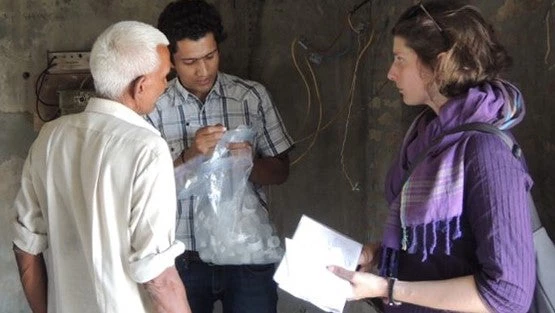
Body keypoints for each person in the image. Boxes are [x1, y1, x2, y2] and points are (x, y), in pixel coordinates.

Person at [328, 1, 535, 312]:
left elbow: (508, 294)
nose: (390, 73)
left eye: (400, 60)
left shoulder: (486, 154)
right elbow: (440, 253)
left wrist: (389, 287)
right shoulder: (427, 134)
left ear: (439, 64)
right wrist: (380, 256)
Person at [12, 21, 192, 313]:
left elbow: (25, 250)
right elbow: (159, 280)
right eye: (164, 76)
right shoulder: (147, 148)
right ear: (140, 86)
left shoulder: (50, 137)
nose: (166, 85)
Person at [146, 1, 294, 313]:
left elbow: (281, 172)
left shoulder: (251, 97)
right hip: (181, 256)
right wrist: (190, 155)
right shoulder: (154, 108)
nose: (203, 70)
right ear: (169, 59)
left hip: (246, 256)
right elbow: (145, 191)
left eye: (210, 56)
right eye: (189, 62)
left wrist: (250, 163)